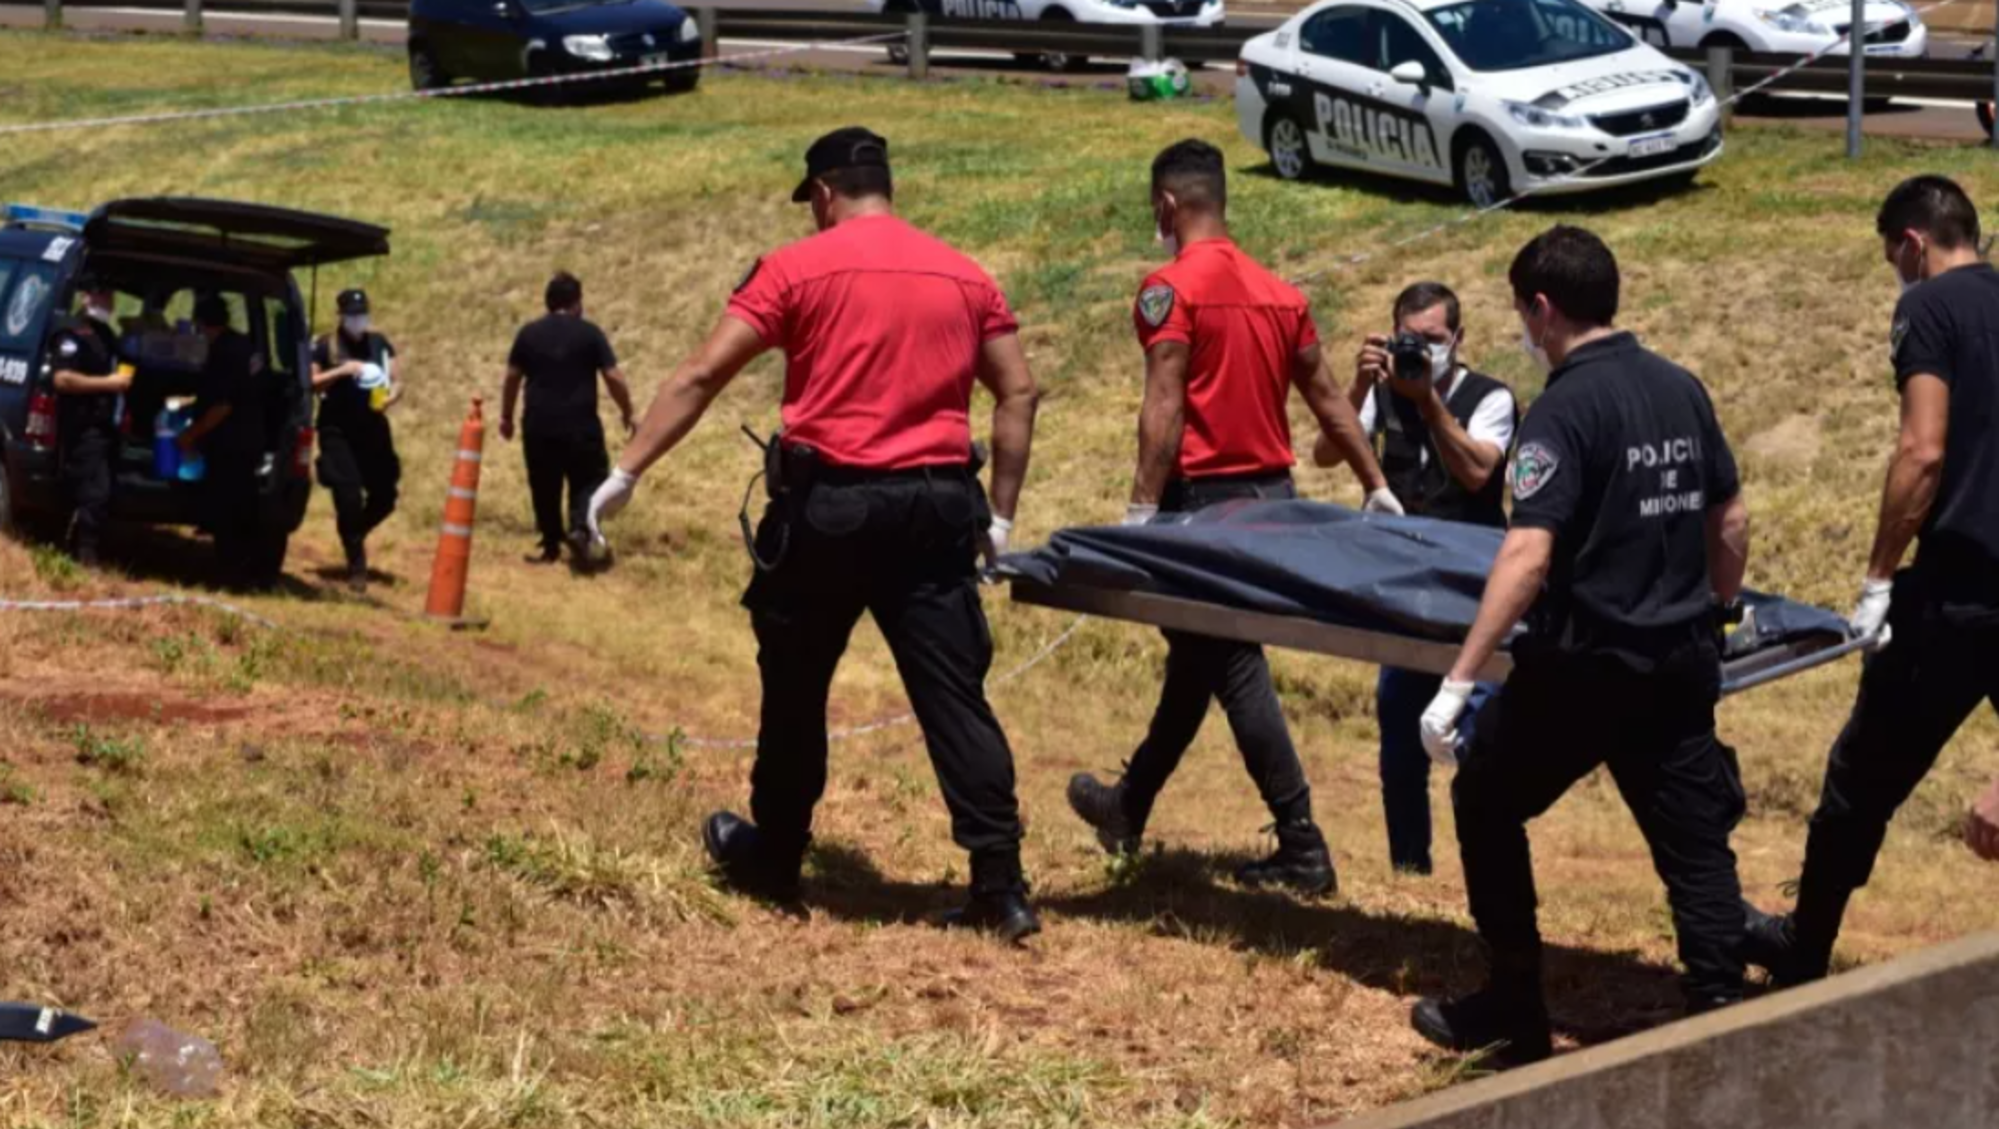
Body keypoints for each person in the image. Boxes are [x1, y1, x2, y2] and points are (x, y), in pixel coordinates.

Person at [586, 127, 1045, 940]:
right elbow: (1019, 391)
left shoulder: (797, 267)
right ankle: (999, 884)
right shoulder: (966, 274)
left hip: (831, 508)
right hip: (938, 507)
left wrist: (628, 470)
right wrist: (1001, 513)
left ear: (824, 193)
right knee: (953, 694)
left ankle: (776, 855)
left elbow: (701, 373)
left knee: (795, 683)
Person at [1409, 226, 1753, 1064]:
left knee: (1485, 799)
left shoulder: (1562, 409)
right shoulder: (1679, 387)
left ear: (1541, 307)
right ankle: (1721, 1015)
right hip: (1675, 660)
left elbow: (1526, 553)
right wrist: (1714, 609)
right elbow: (1730, 517)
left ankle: (1516, 1006)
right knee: (1694, 845)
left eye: (1520, 313)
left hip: (1583, 667)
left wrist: (1456, 682)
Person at [1064, 139, 1403, 898]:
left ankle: (1302, 841)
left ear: (1165, 207)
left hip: (1204, 511)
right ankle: (1127, 805)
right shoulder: (1281, 294)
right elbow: (1329, 402)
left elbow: (1164, 403)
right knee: (1198, 662)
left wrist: (1138, 513)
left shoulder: (1168, 290)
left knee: (1231, 664)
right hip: (1272, 504)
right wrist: (1374, 482)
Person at [1744, 176, 1999, 982]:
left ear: (1912, 243)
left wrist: (1878, 577)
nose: (1895, 268)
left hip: (1958, 589)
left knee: (1861, 776)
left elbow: (1922, 451)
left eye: (1893, 254)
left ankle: (1803, 945)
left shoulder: (1927, 309)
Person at [1324, 282, 1516, 876]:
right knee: (1399, 738)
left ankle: (1490, 871)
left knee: (1478, 744)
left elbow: (1480, 474)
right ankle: (1410, 872)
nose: (1423, 352)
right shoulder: (1380, 394)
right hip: (1404, 588)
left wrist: (1429, 400)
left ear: (1458, 339)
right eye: (1412, 340)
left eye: (1434, 341)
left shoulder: (1492, 398)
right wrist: (1358, 385)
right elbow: (1325, 454)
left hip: (1473, 594)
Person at [501, 272, 635, 566]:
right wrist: (627, 411)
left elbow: (512, 378)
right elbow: (613, 377)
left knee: (544, 484)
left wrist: (506, 417)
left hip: (538, 424)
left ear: (549, 302)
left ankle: (550, 544)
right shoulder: (589, 333)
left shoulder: (528, 333)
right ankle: (579, 528)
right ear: (576, 303)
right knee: (588, 478)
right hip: (580, 424)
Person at [178, 295, 275, 589]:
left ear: (201, 324)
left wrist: (189, 435)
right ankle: (252, 573)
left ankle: (232, 576)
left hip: (231, 444)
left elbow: (222, 405)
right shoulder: (244, 346)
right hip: (250, 440)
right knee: (245, 508)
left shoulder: (223, 352)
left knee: (228, 512)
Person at [310, 288, 402, 592]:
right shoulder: (326, 346)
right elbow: (312, 382)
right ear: (341, 316)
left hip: (373, 427)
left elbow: (397, 379)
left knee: (385, 496)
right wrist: (343, 370)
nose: (358, 320)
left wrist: (391, 398)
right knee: (348, 497)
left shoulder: (379, 343)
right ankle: (357, 567)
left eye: (361, 314)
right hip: (338, 430)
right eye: (352, 315)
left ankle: (354, 532)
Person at [49, 279, 133, 567]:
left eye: (109, 293)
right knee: (94, 490)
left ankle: (79, 548)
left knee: (101, 490)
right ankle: (85, 555)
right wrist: (108, 384)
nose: (107, 300)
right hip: (83, 424)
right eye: (101, 293)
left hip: (107, 423)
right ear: (85, 296)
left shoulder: (106, 334)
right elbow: (63, 379)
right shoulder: (72, 333)